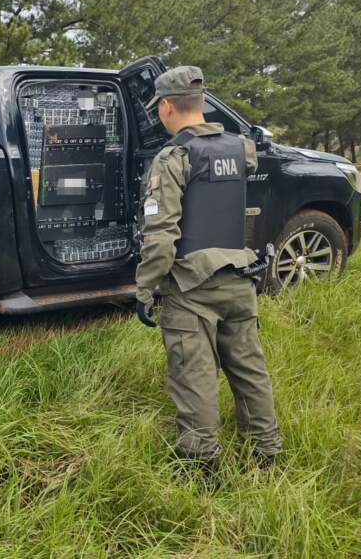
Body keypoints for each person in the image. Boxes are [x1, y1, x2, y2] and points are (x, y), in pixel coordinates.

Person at [135, 66, 282, 474]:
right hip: (239, 276)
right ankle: (266, 451)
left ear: (166, 107)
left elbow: (161, 236)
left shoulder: (174, 157)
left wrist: (146, 289)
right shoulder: (240, 148)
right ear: (200, 103)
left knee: (194, 375)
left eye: (158, 109)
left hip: (189, 286)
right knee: (249, 368)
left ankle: (201, 465)